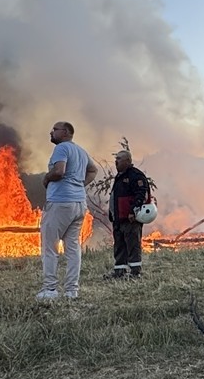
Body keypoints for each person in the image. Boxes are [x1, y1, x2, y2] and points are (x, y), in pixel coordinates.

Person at [38, 121, 97, 300]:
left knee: (50, 246)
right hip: (79, 203)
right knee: (73, 248)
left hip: (60, 203)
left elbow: (59, 171)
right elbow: (93, 170)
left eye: (54, 129)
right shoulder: (80, 150)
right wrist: (79, 185)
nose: (51, 132)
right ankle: (72, 291)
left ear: (65, 132)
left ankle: (50, 290)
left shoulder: (62, 148)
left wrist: (47, 178)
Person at [105, 149, 151, 280]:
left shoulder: (135, 176)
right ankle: (120, 271)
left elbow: (142, 194)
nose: (116, 161)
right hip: (118, 219)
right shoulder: (120, 176)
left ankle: (135, 272)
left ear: (128, 161)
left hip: (130, 219)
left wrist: (133, 211)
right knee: (119, 246)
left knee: (132, 245)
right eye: (116, 159)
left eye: (119, 159)